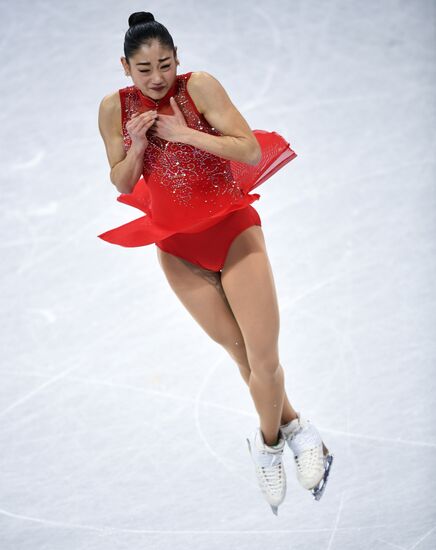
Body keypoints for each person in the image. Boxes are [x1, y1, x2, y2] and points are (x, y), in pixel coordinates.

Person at [97, 11, 333, 515]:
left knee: (264, 359)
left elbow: (247, 150)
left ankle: (269, 447)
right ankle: (297, 427)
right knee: (242, 358)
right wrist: (138, 145)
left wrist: (187, 136)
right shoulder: (112, 108)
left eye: (164, 63)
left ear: (178, 58)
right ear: (125, 67)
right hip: (178, 250)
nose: (156, 77)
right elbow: (120, 181)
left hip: (233, 232)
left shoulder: (198, 87)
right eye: (144, 69)